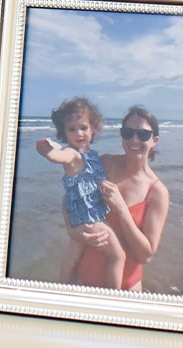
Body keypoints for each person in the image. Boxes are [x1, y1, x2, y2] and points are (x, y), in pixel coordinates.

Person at [71, 105, 170, 291]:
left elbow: (145, 255)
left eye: (143, 135)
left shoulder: (157, 192)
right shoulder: (105, 163)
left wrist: (122, 209)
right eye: (128, 132)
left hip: (124, 290)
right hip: (82, 282)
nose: (134, 139)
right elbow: (71, 200)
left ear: (155, 140)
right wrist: (72, 231)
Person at [37, 97, 124, 287]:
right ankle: (115, 299)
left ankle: (61, 290)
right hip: (90, 220)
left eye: (83, 127)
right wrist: (47, 151)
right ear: (64, 133)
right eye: (72, 129)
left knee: (72, 258)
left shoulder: (91, 155)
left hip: (79, 220)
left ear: (94, 128)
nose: (79, 133)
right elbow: (59, 156)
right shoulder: (72, 154)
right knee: (118, 257)